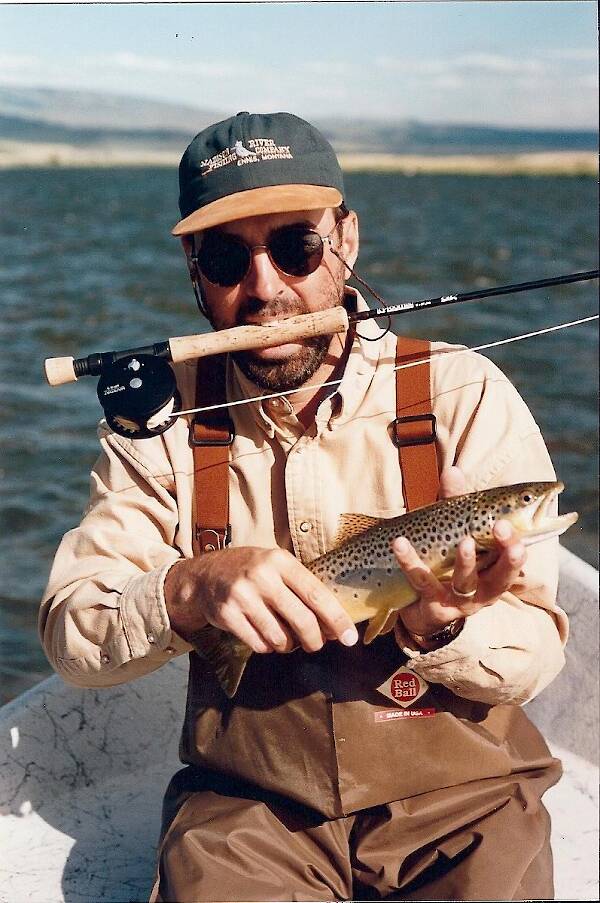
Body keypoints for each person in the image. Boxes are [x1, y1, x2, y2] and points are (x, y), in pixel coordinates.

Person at [40, 112, 568, 902]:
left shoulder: (465, 390)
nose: (265, 287)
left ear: (345, 240)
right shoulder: (160, 426)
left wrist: (445, 622)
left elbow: (538, 652)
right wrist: (191, 587)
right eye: (226, 255)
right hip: (250, 807)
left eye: (296, 245)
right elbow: (70, 635)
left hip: (466, 797)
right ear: (192, 266)